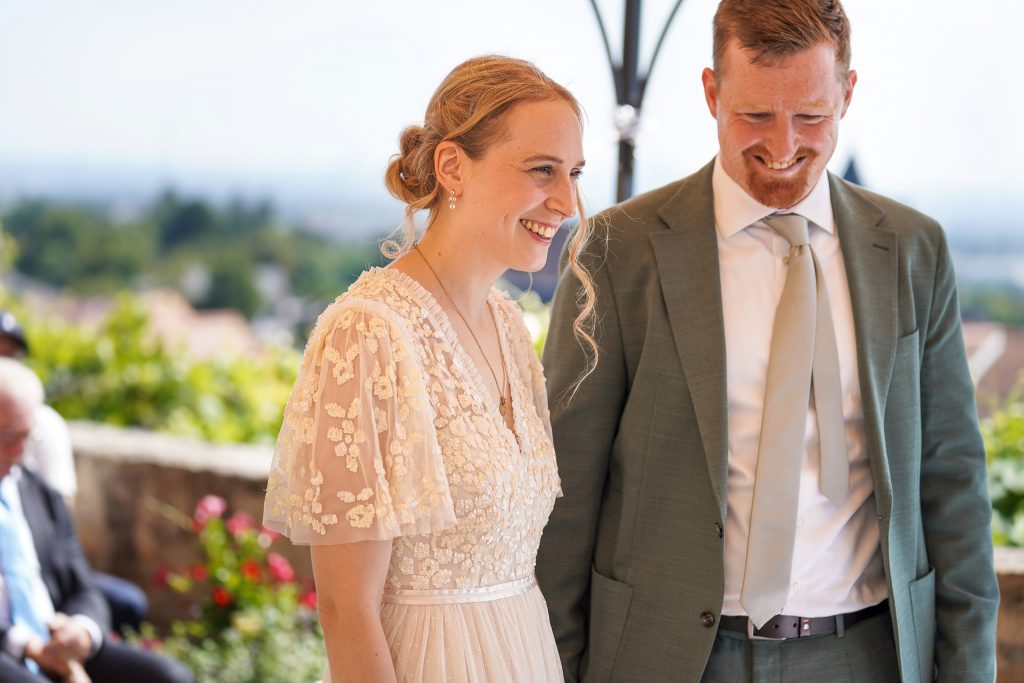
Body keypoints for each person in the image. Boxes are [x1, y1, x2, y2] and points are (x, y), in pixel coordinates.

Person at [536, 1, 999, 681]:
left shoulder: (910, 249)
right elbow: (564, 495)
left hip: (866, 655)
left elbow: (952, 484)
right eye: (755, 114)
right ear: (711, 91)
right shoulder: (615, 251)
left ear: (847, 92)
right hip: (668, 658)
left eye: (810, 115)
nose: (782, 146)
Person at [263, 55, 596, 682]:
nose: (566, 201)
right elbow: (344, 607)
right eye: (541, 170)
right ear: (452, 167)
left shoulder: (508, 327)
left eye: (574, 172)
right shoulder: (367, 333)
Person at [0, 358, 195, 683]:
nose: (19, 452)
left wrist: (82, 631)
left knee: (170, 677)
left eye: (27, 436)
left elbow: (83, 585)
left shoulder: (38, 493)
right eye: (7, 436)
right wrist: (29, 647)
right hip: (10, 648)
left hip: (56, 643)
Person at [0, 309, 149, 635]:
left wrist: (79, 631)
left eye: (10, 354)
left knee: (127, 605)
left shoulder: (44, 427)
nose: (17, 450)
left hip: (34, 563)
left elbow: (58, 525)